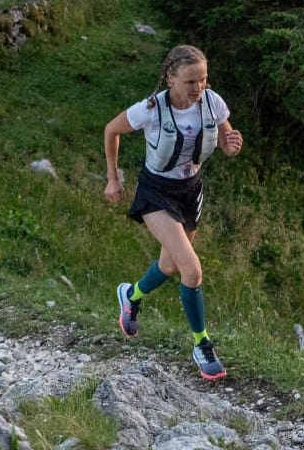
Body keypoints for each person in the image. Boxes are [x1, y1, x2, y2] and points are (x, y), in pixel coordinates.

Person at [102, 44, 243, 380]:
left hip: (190, 191)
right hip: (155, 192)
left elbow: (226, 142)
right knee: (191, 271)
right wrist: (112, 179)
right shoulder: (151, 109)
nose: (198, 88)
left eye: (203, 80)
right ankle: (201, 344)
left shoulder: (213, 103)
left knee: (168, 265)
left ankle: (131, 295)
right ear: (170, 78)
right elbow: (112, 130)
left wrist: (231, 146)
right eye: (190, 81)